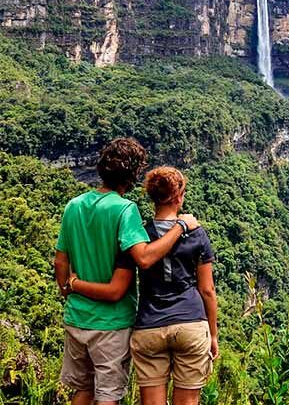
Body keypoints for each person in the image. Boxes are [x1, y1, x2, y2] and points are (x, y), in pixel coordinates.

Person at [55, 138, 199, 405]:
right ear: (133, 175)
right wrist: (181, 227)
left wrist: (69, 289)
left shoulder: (73, 206)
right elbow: (143, 259)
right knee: (108, 396)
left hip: (76, 318)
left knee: (82, 391)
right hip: (111, 324)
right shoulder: (124, 209)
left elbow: (60, 262)